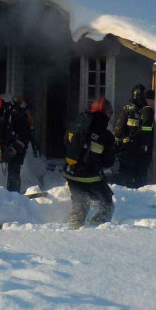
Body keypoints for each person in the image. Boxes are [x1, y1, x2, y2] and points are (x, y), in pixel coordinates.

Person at [63, 97, 116, 228]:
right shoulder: (106, 136)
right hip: (90, 177)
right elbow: (108, 162)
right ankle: (95, 230)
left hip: (70, 173)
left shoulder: (77, 126)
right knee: (107, 205)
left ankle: (74, 229)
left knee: (80, 205)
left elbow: (66, 142)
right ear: (106, 113)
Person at [0, 95, 35, 192]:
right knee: (13, 171)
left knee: (14, 172)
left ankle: (13, 193)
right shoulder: (9, 113)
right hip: (12, 146)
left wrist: (13, 149)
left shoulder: (17, 115)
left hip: (17, 149)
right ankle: (11, 193)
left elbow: (24, 136)